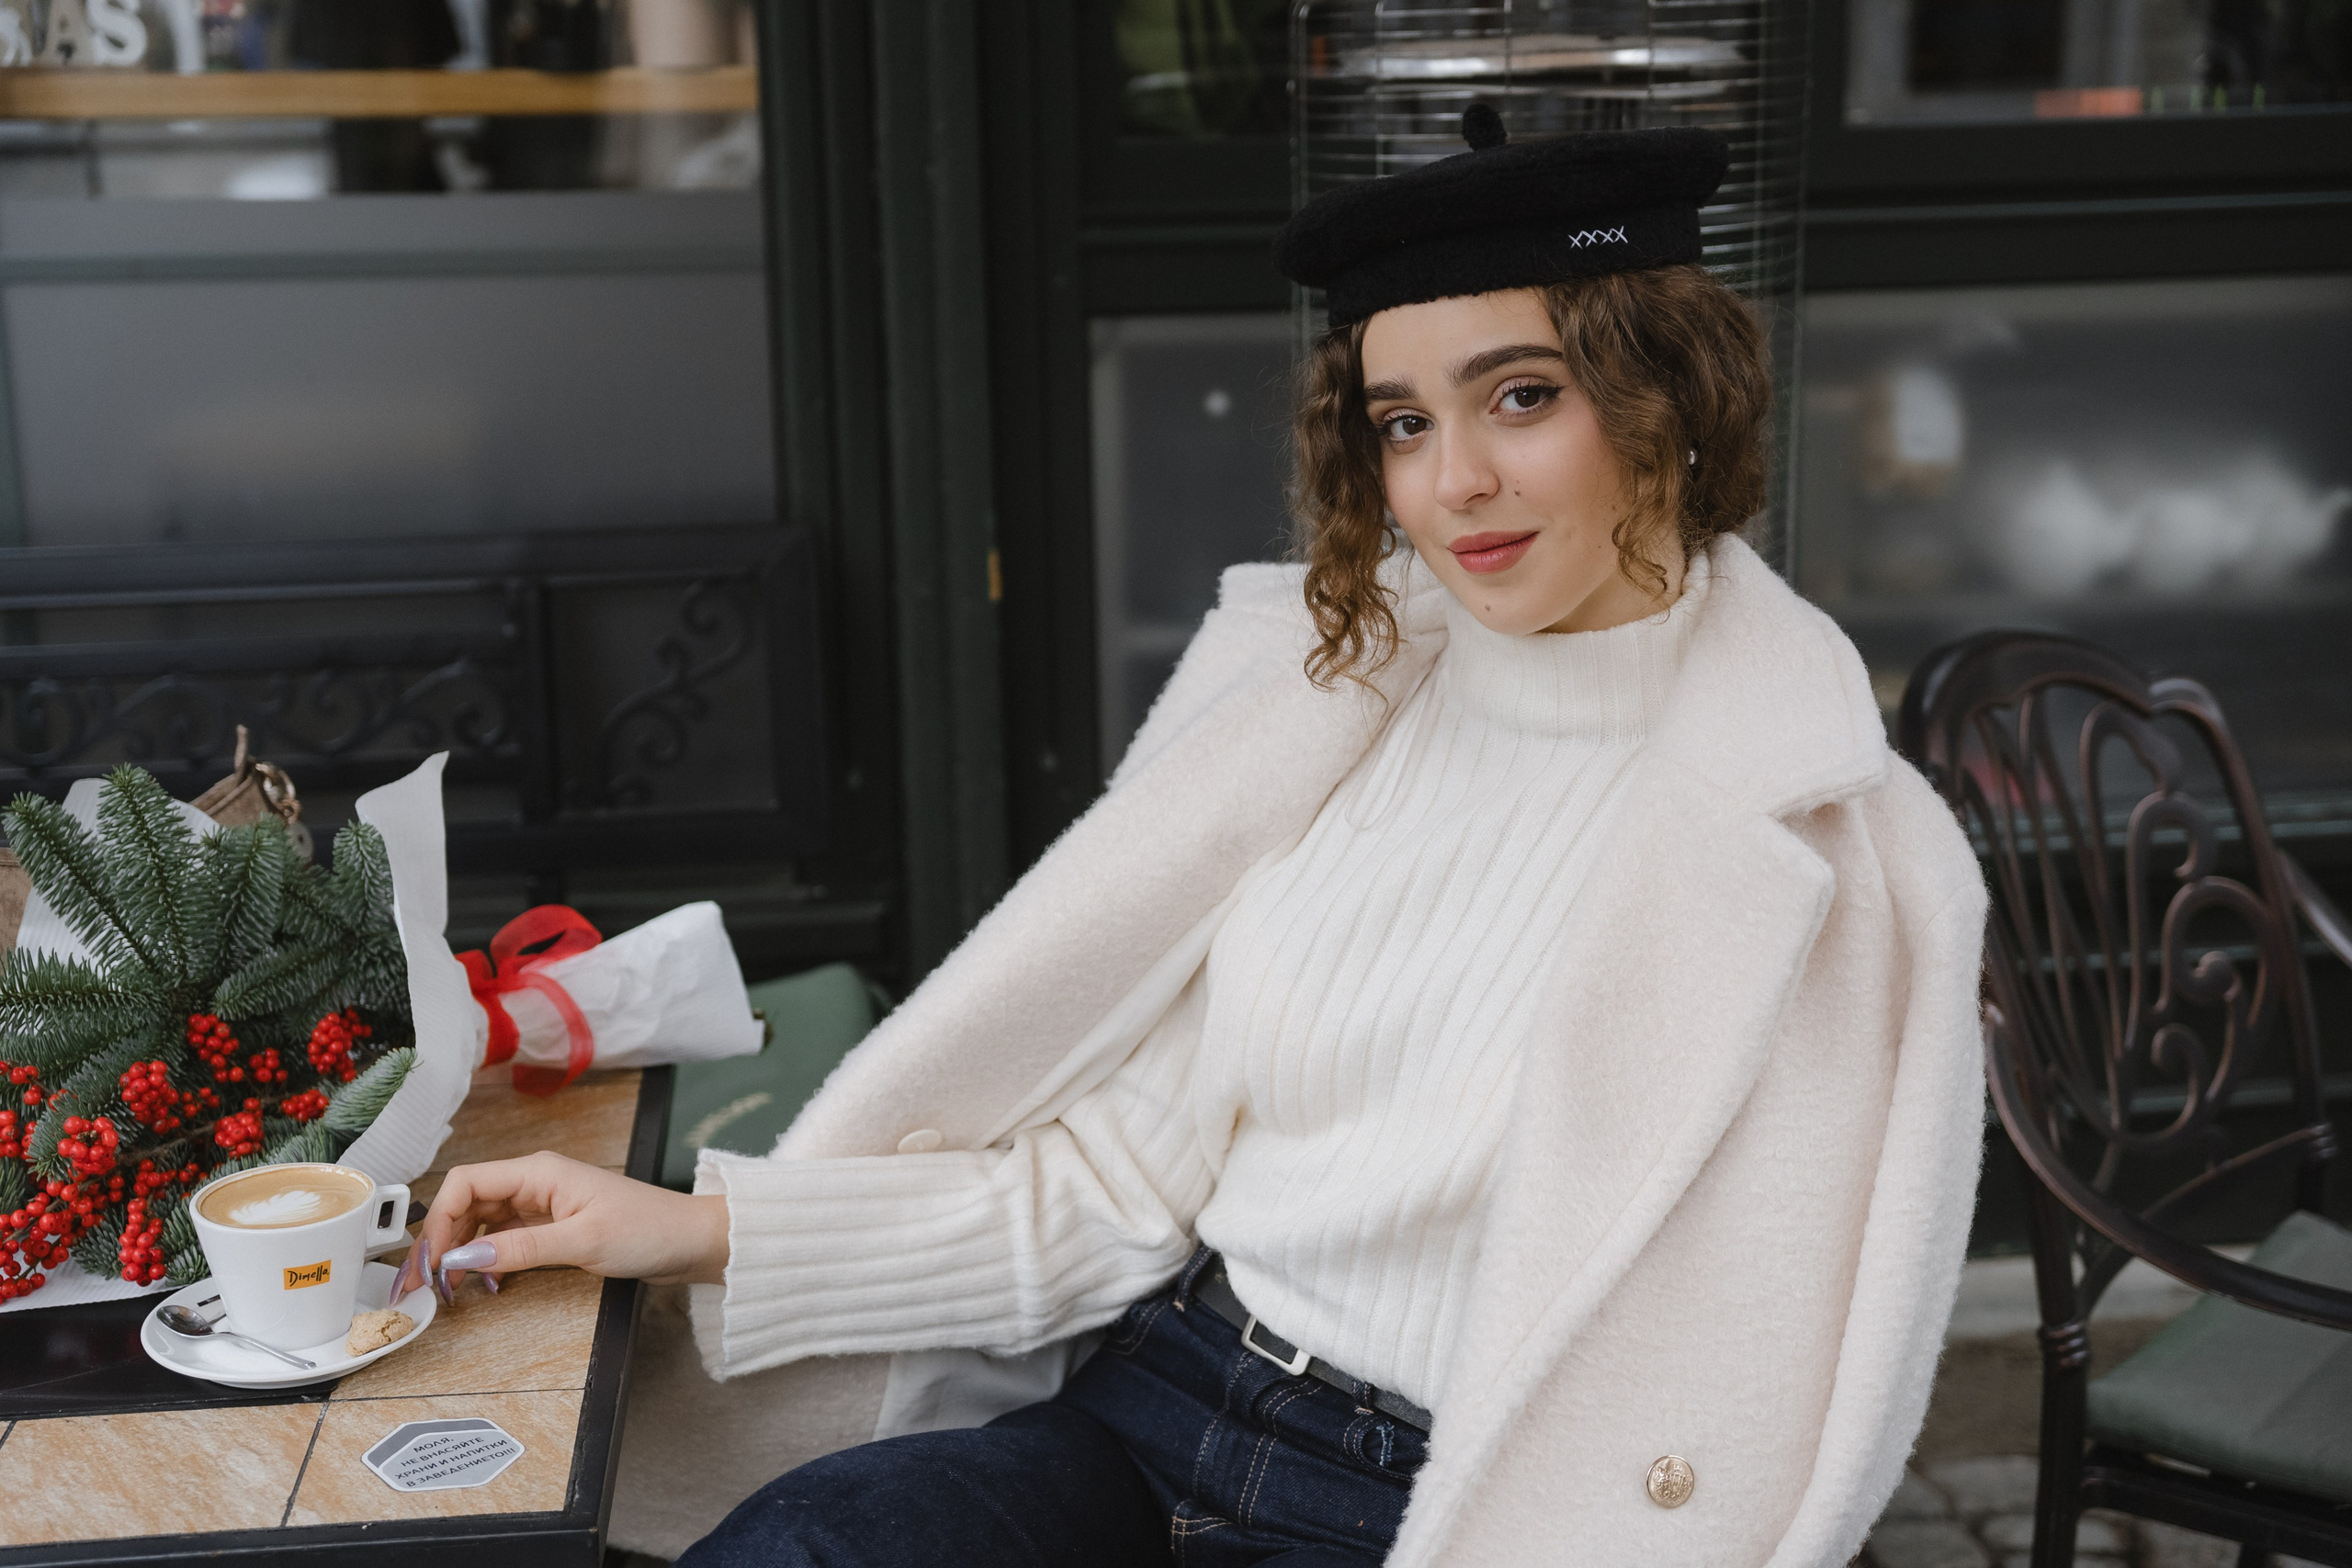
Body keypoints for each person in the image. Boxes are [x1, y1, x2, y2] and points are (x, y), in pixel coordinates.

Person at [410, 112, 1989, 1568]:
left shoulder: (1854, 869)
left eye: (1524, 395)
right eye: (1401, 420)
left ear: (1670, 400)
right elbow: (1117, 1186)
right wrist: (697, 1228)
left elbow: (1800, 1385)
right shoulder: (1324, 709)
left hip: (1441, 1506)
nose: (1457, 482)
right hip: (1156, 1399)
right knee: (821, 1543)